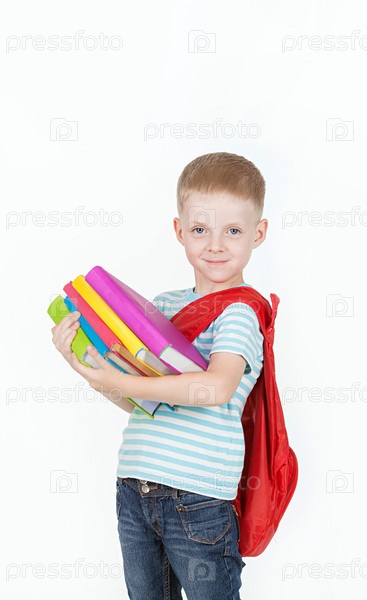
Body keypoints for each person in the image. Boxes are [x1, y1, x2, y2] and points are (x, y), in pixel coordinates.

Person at [51, 152, 269, 599]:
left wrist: (121, 381)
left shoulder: (240, 312)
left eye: (233, 231)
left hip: (198, 497)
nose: (215, 245)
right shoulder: (163, 306)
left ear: (258, 234)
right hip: (135, 487)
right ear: (179, 231)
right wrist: (84, 366)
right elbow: (141, 402)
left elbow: (215, 387)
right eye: (200, 230)